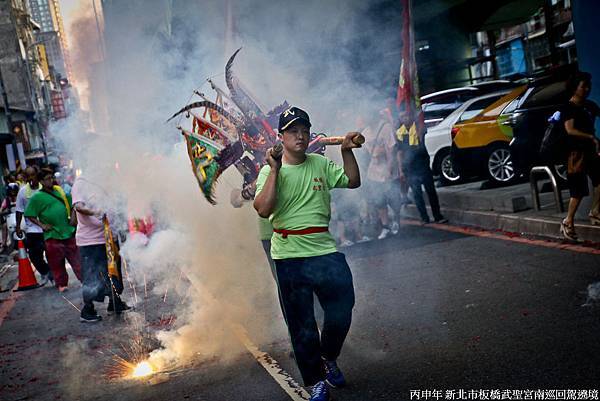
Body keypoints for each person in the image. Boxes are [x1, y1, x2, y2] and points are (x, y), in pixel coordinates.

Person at [254, 106, 361, 401]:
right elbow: (263, 208)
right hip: (289, 257)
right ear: (281, 137)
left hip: (324, 250)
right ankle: (315, 382)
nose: (300, 136)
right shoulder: (268, 171)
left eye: (304, 130)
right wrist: (275, 169)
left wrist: (347, 151)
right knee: (301, 325)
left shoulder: (320, 164)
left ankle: (328, 357)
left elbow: (353, 181)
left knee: (342, 309)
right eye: (293, 131)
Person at [72, 175, 130, 322]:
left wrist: (121, 229)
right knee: (92, 276)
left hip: (110, 238)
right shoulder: (81, 184)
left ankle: (115, 303)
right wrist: (95, 212)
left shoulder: (106, 181)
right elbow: (78, 206)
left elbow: (117, 207)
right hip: (91, 241)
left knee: (114, 272)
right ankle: (87, 310)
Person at [24, 167, 82, 292]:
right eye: (47, 179)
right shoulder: (37, 197)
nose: (51, 181)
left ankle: (85, 281)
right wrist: (42, 225)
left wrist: (73, 217)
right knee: (56, 262)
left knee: (77, 259)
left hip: (68, 231)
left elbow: (73, 204)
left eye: (52, 178)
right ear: (41, 181)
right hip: (52, 235)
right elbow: (29, 214)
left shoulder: (60, 191)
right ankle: (61, 284)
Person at [560, 71, 600, 240]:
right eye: (583, 86)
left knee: (599, 179)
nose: (587, 89)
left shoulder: (590, 105)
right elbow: (570, 130)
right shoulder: (568, 108)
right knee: (578, 191)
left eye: (588, 86)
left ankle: (595, 212)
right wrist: (591, 137)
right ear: (574, 88)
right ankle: (568, 221)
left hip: (591, 150)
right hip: (575, 154)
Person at [396, 112, 447, 224]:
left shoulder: (419, 128)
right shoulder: (400, 133)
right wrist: (401, 170)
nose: (406, 118)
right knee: (417, 194)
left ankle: (437, 216)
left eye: (407, 115)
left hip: (423, 164)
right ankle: (424, 217)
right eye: (403, 117)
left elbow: (422, 135)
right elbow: (399, 153)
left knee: (431, 192)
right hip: (410, 167)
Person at [365, 111, 402, 239]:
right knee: (379, 200)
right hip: (373, 173)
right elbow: (365, 153)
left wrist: (389, 168)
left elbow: (392, 150)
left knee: (393, 199)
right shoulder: (365, 132)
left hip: (388, 172)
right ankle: (385, 226)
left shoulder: (385, 127)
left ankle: (396, 221)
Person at [15, 166, 52, 284]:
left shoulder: (44, 188)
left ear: (37, 176)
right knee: (34, 256)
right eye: (28, 176)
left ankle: (54, 275)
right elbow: (19, 210)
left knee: (51, 254)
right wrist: (17, 227)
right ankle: (46, 272)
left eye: (33, 175)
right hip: (33, 230)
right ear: (25, 178)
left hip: (48, 228)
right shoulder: (22, 192)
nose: (31, 178)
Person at [0, 183, 19, 253]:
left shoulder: (20, 197)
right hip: (10, 218)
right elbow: (1, 208)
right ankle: (4, 244)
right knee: (4, 226)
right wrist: (2, 211)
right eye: (11, 191)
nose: (13, 193)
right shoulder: (7, 200)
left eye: (14, 191)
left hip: (20, 217)